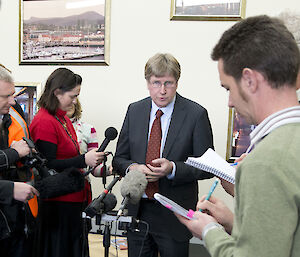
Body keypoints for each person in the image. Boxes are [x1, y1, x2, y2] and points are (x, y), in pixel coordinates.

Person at [176, 15, 300, 257]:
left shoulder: (265, 162)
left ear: (250, 80)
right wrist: (235, 223)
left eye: (228, 88)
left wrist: (210, 230)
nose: (230, 102)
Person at [112, 53, 214, 257]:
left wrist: (172, 168)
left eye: (169, 83)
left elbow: (207, 167)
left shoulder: (195, 114)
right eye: (156, 83)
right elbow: (119, 159)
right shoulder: (135, 110)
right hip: (138, 211)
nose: (162, 90)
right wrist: (133, 169)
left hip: (174, 213)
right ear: (147, 82)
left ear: (177, 82)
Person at [29, 68, 105, 257]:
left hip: (71, 199)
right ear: (57, 92)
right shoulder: (45, 122)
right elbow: (48, 165)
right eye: (72, 96)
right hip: (58, 204)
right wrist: (83, 159)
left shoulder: (61, 118)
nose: (74, 101)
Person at [0, 66, 39, 257]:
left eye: (12, 95)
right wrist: (14, 153)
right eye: (6, 96)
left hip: (13, 220)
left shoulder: (9, 117)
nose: (12, 101)